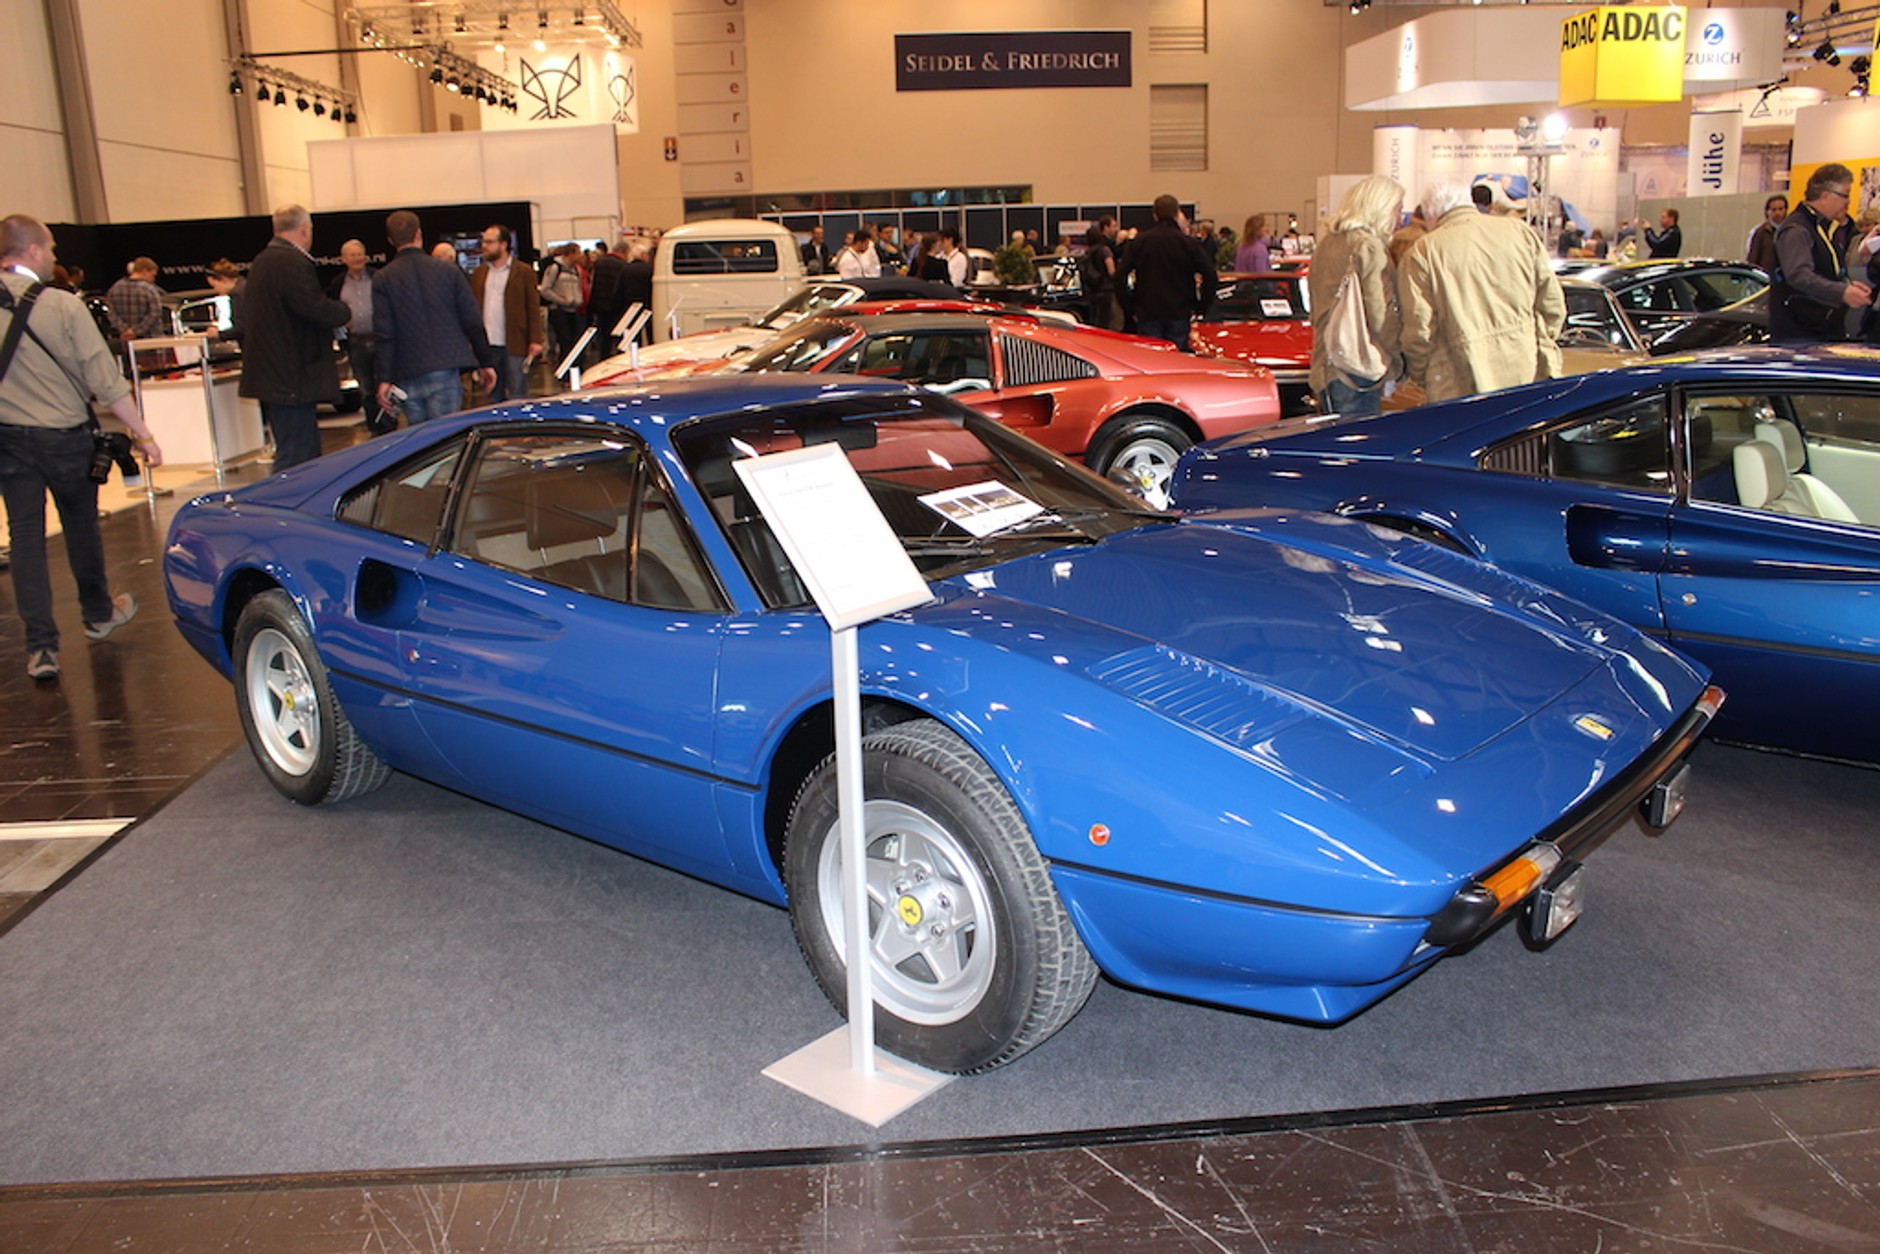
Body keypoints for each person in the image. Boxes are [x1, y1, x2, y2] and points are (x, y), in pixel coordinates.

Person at [0, 214, 164, 681]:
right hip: (64, 437)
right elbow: (104, 382)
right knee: (80, 527)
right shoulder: (62, 306)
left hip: (8, 440)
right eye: (50, 248)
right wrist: (143, 435)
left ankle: (41, 648)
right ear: (31, 251)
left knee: (25, 537)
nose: (54, 256)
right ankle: (96, 613)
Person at [1398, 178, 1564, 404]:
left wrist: (1423, 373)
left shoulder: (1423, 253)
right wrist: (1537, 341)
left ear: (1430, 214)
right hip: (1526, 371)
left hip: (1458, 381)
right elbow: (1552, 305)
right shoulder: (1520, 232)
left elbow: (1420, 330)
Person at [237, 204, 351, 471]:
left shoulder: (265, 259)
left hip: (278, 374)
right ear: (304, 229)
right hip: (291, 376)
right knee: (298, 457)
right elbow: (312, 306)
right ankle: (282, 509)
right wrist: (344, 311)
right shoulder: (290, 262)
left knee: (298, 450)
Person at [371, 210, 497, 425]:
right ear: (419, 234)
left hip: (407, 370)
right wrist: (485, 361)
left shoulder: (383, 278)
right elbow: (471, 320)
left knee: (421, 443)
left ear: (390, 240)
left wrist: (383, 378)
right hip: (445, 367)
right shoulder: (449, 272)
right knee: (446, 437)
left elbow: (385, 333)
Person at [1308, 176, 1405, 417]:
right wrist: (1398, 363)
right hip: (1356, 366)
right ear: (1380, 208)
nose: (1400, 218)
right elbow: (1381, 313)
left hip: (1327, 362)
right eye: (1397, 209)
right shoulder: (1368, 246)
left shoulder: (1327, 243)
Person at [1768, 163, 1871, 344]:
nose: (1848, 201)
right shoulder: (1797, 229)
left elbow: (1824, 270)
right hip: (1800, 337)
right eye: (1845, 195)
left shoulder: (1822, 228)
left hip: (1817, 330)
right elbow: (1799, 276)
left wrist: (1847, 284)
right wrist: (1843, 291)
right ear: (1826, 195)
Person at [1116, 194, 1218, 349]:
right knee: (1176, 360)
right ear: (1177, 214)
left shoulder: (1140, 242)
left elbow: (1119, 276)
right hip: (1179, 311)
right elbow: (1210, 274)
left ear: (1155, 215)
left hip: (1147, 311)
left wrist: (1130, 307)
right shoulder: (1188, 243)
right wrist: (1200, 306)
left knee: (1151, 361)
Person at [468, 223, 543, 403]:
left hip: (515, 343)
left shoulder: (523, 272)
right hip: (488, 345)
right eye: (483, 241)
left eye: (489, 242)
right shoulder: (480, 273)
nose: (484, 246)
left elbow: (533, 307)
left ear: (503, 244)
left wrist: (536, 339)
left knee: (518, 393)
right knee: (493, 394)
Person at [326, 239, 377, 421]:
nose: (357, 258)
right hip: (356, 343)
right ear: (344, 259)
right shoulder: (338, 284)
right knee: (366, 388)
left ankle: (390, 424)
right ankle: (374, 426)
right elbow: (333, 313)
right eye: (353, 255)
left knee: (385, 385)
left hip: (380, 339)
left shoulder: (377, 277)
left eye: (360, 254)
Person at [537, 242, 586, 365]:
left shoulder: (575, 270)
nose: (581, 256)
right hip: (559, 310)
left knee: (574, 341)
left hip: (573, 310)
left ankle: (574, 370)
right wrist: (560, 299)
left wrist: (578, 300)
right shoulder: (555, 268)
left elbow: (579, 287)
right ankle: (565, 374)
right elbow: (545, 289)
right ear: (571, 253)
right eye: (578, 252)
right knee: (565, 342)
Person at [104, 257, 166, 347]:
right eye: (153, 275)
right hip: (151, 340)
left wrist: (125, 330)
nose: (153, 279)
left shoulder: (114, 288)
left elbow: (111, 313)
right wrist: (135, 331)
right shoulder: (149, 289)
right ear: (145, 271)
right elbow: (155, 313)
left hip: (126, 341)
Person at [1080, 218, 1119, 330]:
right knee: (1106, 322)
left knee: (1094, 321)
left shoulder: (1088, 252)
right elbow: (1111, 270)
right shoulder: (1105, 250)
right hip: (1105, 290)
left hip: (1092, 290)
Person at [618, 239, 654, 344]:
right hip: (648, 305)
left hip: (630, 307)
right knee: (650, 333)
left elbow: (619, 288)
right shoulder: (650, 269)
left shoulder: (625, 269)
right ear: (643, 255)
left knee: (633, 334)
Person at [204, 258, 245, 342]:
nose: (215, 290)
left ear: (223, 279)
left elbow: (242, 327)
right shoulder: (245, 286)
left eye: (214, 286)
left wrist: (219, 334)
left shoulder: (237, 293)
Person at [1747, 194, 1787, 271]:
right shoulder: (1760, 232)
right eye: (1774, 209)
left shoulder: (1791, 230)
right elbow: (1753, 259)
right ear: (1767, 212)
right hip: (1766, 277)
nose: (1778, 213)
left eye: (1780, 209)